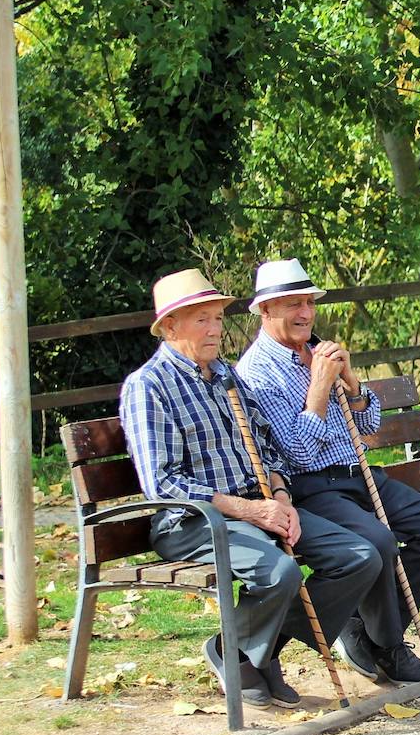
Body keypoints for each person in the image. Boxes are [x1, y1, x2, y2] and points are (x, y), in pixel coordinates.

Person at [121, 269, 377, 709]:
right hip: (193, 521)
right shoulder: (149, 386)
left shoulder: (226, 376)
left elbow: (269, 451)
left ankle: (254, 651)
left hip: (257, 504)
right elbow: (162, 482)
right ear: (169, 327)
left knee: (358, 557)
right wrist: (247, 509)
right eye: (202, 319)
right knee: (281, 573)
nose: (216, 328)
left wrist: (280, 498)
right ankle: (238, 652)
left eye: (218, 318)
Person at [237, 258, 420, 685]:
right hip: (312, 487)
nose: (305, 313)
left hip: (359, 476)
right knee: (377, 541)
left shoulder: (317, 352)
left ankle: (364, 624)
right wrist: (319, 387)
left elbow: (369, 426)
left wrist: (353, 383)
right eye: (292, 305)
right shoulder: (255, 373)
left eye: (309, 303)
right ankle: (388, 646)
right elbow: (298, 454)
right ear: (265, 311)